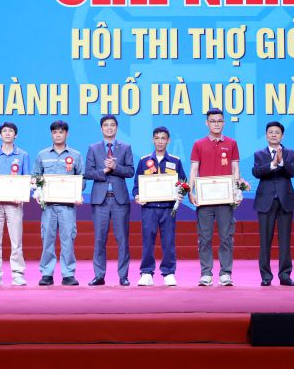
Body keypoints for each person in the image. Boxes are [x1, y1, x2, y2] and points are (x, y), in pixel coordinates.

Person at [189, 108, 242, 287]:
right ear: (207, 123)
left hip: (225, 199)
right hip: (205, 200)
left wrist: (237, 191)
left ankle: (225, 273)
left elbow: (235, 169)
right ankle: (206, 273)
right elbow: (194, 169)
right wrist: (191, 191)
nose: (216, 124)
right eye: (213, 121)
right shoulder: (198, 144)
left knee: (226, 237)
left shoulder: (232, 143)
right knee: (204, 237)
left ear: (224, 123)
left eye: (219, 121)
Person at [132, 126, 187, 286]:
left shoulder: (175, 161)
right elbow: (136, 185)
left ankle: (168, 273)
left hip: (168, 209)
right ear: (153, 140)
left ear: (168, 140)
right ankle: (146, 273)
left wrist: (181, 193)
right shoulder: (144, 161)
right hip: (149, 208)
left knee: (168, 242)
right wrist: (137, 196)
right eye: (157, 138)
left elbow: (183, 183)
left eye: (163, 138)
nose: (160, 141)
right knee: (147, 241)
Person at [33, 120, 85, 287]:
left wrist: (76, 192)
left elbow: (82, 180)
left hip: (67, 207)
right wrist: (38, 191)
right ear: (51, 134)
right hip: (48, 206)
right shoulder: (42, 155)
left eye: (61, 132)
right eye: (55, 132)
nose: (58, 135)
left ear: (66, 134)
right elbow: (35, 177)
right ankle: (46, 273)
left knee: (68, 240)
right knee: (47, 239)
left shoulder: (76, 155)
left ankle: (68, 274)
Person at [85, 114, 135, 287]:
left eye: (112, 125)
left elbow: (130, 171)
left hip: (119, 200)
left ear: (116, 127)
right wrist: (104, 171)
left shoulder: (125, 147)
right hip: (101, 201)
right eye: (106, 125)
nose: (109, 128)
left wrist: (115, 167)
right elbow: (88, 173)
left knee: (123, 240)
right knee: (100, 239)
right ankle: (99, 275)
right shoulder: (93, 148)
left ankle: (123, 276)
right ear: (101, 128)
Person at [0, 122, 30, 287]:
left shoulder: (23, 155)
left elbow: (27, 179)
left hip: (15, 204)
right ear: (0, 135)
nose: (7, 133)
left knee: (16, 242)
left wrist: (22, 195)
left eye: (11, 131)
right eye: (4, 131)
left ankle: (18, 275)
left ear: (15, 135)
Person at [252, 121, 294, 286]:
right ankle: (266, 276)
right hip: (266, 201)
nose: (273, 135)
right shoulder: (259, 154)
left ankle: (285, 275)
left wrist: (282, 162)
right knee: (265, 241)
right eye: (270, 132)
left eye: (277, 132)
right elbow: (256, 172)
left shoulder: (291, 153)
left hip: (285, 200)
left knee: (285, 241)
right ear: (266, 135)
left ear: (282, 136)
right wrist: (272, 164)